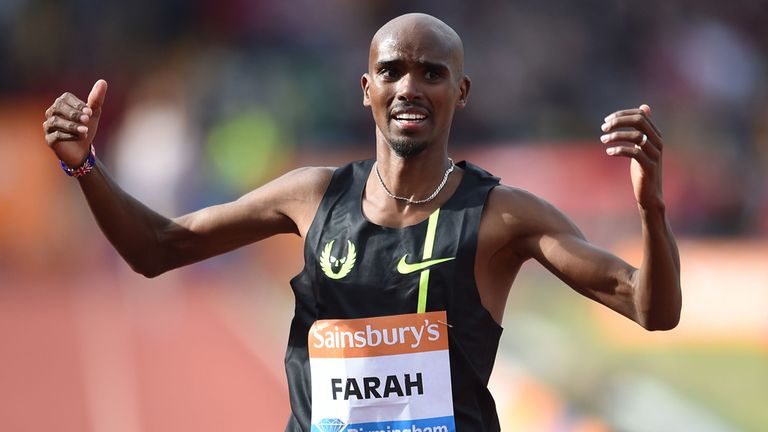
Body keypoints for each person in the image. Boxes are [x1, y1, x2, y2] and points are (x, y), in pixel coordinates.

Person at [43, 12, 681, 432]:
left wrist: (651, 208)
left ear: (460, 91)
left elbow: (651, 308)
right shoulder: (312, 197)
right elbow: (157, 247)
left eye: (432, 73)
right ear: (366, 88)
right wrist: (86, 168)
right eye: (392, 71)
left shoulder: (500, 215)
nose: (409, 86)